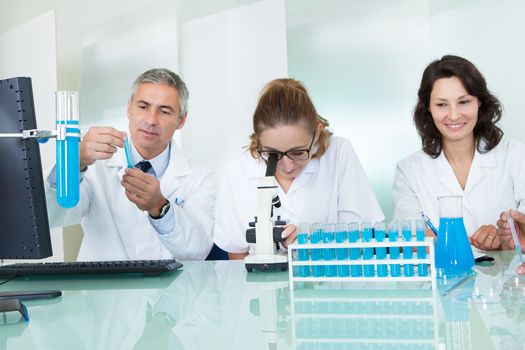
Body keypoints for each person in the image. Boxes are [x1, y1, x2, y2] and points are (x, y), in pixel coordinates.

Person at [45, 68, 214, 261]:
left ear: (181, 121)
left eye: (165, 111)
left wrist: (159, 207)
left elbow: (198, 249)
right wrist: (74, 161)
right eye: (143, 107)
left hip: (170, 290)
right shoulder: (97, 164)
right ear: (129, 108)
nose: (151, 120)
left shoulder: (198, 177)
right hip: (102, 289)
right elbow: (51, 215)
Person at [213, 78, 384, 259]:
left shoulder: (338, 154)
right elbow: (237, 254)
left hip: (332, 282)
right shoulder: (236, 171)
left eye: (298, 152)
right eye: (272, 154)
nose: (287, 165)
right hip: (263, 285)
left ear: (316, 133)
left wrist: (310, 245)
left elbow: (361, 238)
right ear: (259, 139)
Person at [392, 55, 525, 251]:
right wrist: (425, 241)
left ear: (480, 102)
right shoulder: (409, 171)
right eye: (441, 104)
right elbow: (409, 240)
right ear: (428, 107)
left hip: (509, 280)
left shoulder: (515, 155)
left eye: (464, 102)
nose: (454, 115)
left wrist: (506, 236)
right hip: (443, 280)